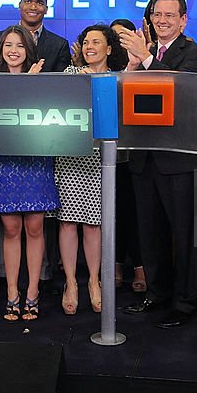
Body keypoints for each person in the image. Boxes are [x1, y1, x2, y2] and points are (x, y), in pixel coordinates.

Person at [118, 0, 197, 329]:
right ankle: (156, 293)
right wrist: (129, 66)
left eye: (170, 15)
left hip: (179, 159)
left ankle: (185, 302)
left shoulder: (195, 53)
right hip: (144, 156)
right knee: (150, 231)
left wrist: (144, 59)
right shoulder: (143, 51)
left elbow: (178, 91)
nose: (163, 20)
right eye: (158, 14)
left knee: (184, 234)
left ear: (183, 20)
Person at [0, 26, 60, 321]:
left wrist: (30, 85)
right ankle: (11, 293)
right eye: (8, 45)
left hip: (35, 160)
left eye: (19, 45)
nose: (13, 50)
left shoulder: (43, 82)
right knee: (11, 229)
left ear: (29, 50)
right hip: (5, 161)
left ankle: (32, 292)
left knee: (34, 228)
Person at [56, 24, 128, 314]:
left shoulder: (115, 78)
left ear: (108, 49)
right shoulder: (68, 76)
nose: (90, 47)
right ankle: (71, 282)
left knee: (93, 223)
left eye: (96, 42)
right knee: (67, 222)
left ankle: (94, 281)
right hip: (70, 155)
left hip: (101, 159)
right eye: (86, 42)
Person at [109, 19, 146, 294]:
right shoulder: (102, 73)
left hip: (134, 154)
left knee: (134, 213)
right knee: (114, 213)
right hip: (105, 157)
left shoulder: (141, 65)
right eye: (114, 37)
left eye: (125, 36)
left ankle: (140, 266)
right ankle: (116, 263)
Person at [0, 0, 71, 72]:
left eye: (39, 3)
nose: (33, 7)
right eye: (28, 1)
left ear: (46, 9)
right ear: (19, 5)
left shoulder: (59, 45)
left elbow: (61, 83)